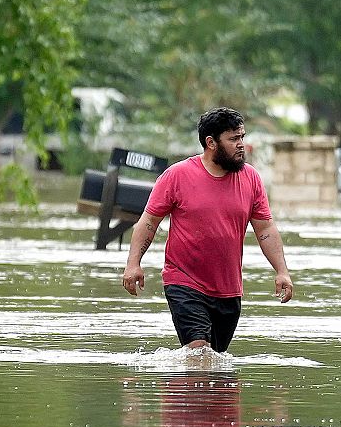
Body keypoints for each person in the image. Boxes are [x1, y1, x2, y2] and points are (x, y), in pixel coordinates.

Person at [121, 107, 294, 352]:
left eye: (242, 137)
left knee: (216, 360)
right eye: (233, 139)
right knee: (199, 351)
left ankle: (187, 390)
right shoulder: (176, 176)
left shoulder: (251, 179)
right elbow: (149, 222)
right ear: (211, 142)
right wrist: (133, 264)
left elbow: (265, 229)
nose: (241, 144)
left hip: (228, 290)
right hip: (184, 282)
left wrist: (282, 271)